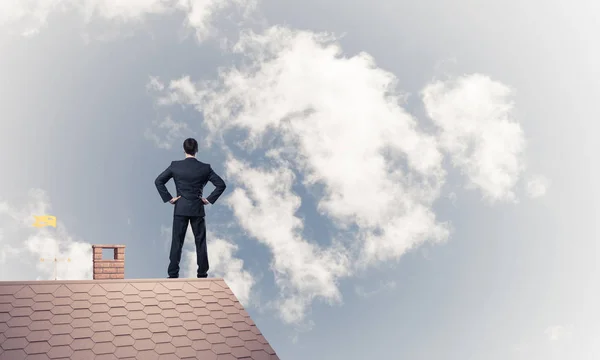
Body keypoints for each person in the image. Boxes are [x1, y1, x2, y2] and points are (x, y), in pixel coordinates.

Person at [154, 138, 226, 278]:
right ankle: (202, 273)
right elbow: (221, 185)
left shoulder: (175, 166)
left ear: (184, 149)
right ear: (197, 150)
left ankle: (173, 274)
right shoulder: (205, 168)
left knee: (177, 242)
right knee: (200, 242)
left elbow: (158, 181)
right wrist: (208, 199)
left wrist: (169, 198)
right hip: (197, 208)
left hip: (180, 207)